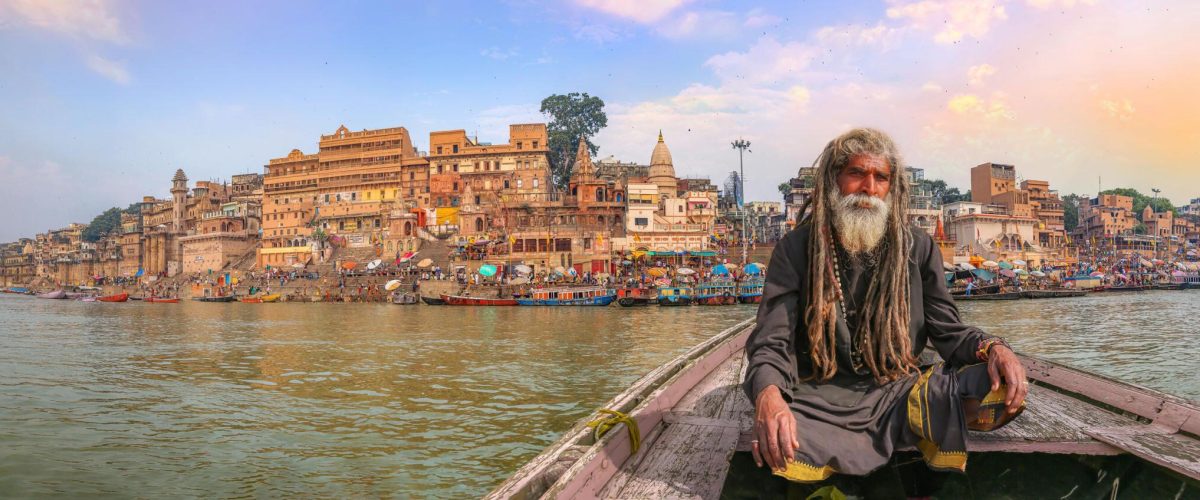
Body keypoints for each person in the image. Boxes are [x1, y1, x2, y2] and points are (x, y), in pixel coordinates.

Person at [744, 128, 1027, 495]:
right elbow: (771, 341)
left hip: (899, 388)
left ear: (891, 187)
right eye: (857, 174)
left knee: (999, 384)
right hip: (819, 397)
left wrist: (996, 348)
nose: (869, 187)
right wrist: (768, 397)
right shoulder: (797, 248)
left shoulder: (918, 246)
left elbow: (948, 331)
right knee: (783, 429)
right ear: (834, 181)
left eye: (881, 177)